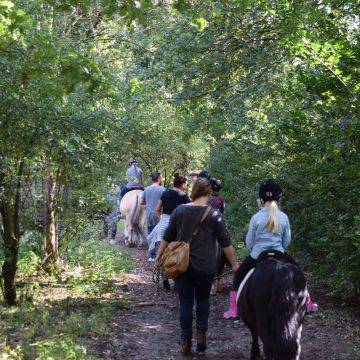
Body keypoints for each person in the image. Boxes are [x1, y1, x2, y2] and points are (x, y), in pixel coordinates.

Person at [155, 177, 239, 356]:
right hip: (205, 266)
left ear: (193, 191)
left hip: (182, 265)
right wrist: (234, 264)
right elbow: (226, 243)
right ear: (208, 193)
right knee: (203, 300)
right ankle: (201, 334)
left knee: (185, 303)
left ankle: (186, 342)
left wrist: (158, 256)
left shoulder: (179, 211)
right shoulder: (214, 214)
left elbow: (168, 236)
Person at [223, 180, 318, 319]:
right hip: (279, 254)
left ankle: (234, 309)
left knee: (239, 276)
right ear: (279, 198)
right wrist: (279, 249)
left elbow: (249, 241)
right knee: (298, 274)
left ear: (261, 200)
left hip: (258, 256)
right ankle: (307, 303)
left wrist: (253, 251)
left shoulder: (255, 218)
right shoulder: (284, 217)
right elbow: (287, 240)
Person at [147, 173, 190, 265]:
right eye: (186, 184)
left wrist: (161, 219)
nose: (186, 186)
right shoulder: (184, 196)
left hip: (163, 225)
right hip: (178, 226)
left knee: (162, 252)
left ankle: (162, 271)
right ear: (182, 184)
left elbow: (157, 209)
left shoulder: (165, 193)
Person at [142, 172, 166, 260]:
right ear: (159, 179)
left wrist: (148, 202)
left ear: (152, 179)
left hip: (149, 215)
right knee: (160, 235)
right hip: (159, 215)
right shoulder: (162, 189)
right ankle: (159, 255)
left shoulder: (146, 189)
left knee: (151, 235)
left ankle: (151, 256)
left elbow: (141, 202)